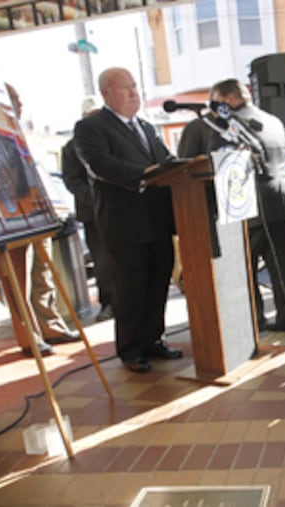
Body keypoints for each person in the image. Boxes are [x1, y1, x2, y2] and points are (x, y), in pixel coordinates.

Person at [74, 67, 182, 373]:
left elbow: (166, 164)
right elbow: (99, 164)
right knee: (131, 289)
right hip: (124, 225)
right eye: (126, 87)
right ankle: (131, 350)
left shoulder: (147, 128)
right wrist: (143, 175)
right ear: (106, 93)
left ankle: (153, 340)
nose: (135, 93)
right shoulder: (91, 127)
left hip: (157, 221)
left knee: (158, 284)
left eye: (135, 86)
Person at [210, 78, 285, 334]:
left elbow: (216, 161)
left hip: (249, 205)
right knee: (283, 267)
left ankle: (254, 321)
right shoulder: (272, 120)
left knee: (245, 270)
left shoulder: (229, 124)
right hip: (283, 199)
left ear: (227, 99)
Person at [0, 83, 81, 357]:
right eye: (13, 99)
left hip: (36, 213)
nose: (18, 103)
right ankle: (29, 337)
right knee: (17, 280)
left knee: (43, 273)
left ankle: (51, 327)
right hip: (10, 220)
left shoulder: (21, 133)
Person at [61, 96, 115, 323]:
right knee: (103, 261)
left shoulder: (113, 137)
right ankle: (109, 303)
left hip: (121, 211)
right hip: (94, 214)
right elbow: (72, 180)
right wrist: (95, 199)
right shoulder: (71, 148)